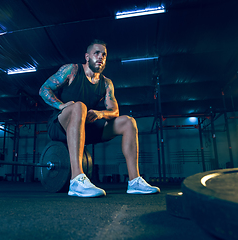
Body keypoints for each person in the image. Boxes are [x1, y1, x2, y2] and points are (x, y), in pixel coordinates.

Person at [39, 39, 160, 197]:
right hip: (59, 125)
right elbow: (44, 89)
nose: (101, 57)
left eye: (104, 54)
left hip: (86, 128)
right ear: (87, 56)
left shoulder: (106, 83)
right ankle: (76, 180)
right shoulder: (72, 70)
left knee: (128, 122)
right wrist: (62, 106)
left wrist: (100, 113)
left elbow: (114, 110)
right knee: (79, 106)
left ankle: (134, 181)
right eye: (96, 53)